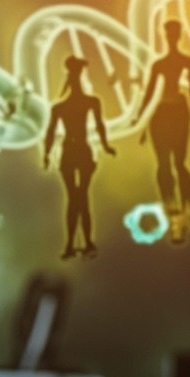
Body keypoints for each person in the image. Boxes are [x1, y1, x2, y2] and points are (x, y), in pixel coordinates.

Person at [133, 19, 190, 243]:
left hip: (178, 113)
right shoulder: (159, 65)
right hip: (161, 114)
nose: (171, 37)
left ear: (178, 35)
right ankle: (170, 203)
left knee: (179, 163)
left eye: (174, 33)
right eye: (168, 33)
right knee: (163, 163)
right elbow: (150, 93)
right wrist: (142, 119)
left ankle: (187, 204)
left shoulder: (187, 62)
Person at [42, 56, 115, 259]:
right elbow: (99, 126)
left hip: (74, 152)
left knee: (76, 198)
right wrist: (105, 146)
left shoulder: (63, 106)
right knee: (80, 197)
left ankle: (74, 244)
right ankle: (83, 243)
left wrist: (47, 154)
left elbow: (51, 133)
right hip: (79, 151)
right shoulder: (86, 102)